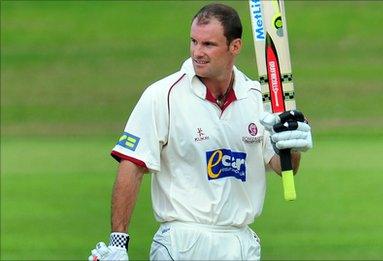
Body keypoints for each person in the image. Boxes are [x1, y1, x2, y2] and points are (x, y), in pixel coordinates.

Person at [89, 3, 312, 261]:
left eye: (208, 44)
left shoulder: (256, 100)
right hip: (181, 242)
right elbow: (132, 164)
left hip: (239, 242)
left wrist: (291, 147)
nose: (197, 52)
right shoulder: (163, 95)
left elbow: (283, 166)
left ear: (235, 46)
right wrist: (118, 243)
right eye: (194, 41)